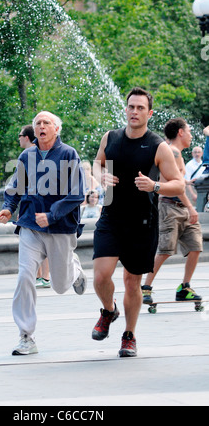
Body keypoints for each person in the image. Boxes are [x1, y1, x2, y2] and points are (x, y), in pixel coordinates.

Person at [92, 87, 184, 358]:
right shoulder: (110, 138)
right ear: (126, 109)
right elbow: (97, 164)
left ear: (149, 113)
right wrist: (101, 177)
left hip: (142, 223)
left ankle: (129, 335)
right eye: (131, 107)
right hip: (110, 217)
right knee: (100, 276)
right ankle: (109, 310)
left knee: (133, 282)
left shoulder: (159, 147)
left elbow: (178, 184)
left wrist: (155, 185)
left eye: (140, 108)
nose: (134, 112)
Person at [0, 110, 87, 355]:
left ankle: (74, 270)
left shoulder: (69, 154)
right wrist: (8, 208)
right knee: (25, 275)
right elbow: (15, 186)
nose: (41, 126)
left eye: (47, 122)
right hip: (30, 226)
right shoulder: (27, 155)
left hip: (60, 228)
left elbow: (78, 194)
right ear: (34, 130)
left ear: (56, 129)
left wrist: (52, 214)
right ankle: (26, 336)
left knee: (60, 286)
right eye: (38, 123)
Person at [142, 118, 203, 304]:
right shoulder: (173, 152)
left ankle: (184, 287)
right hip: (171, 207)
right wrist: (191, 206)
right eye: (190, 132)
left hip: (182, 207)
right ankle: (146, 287)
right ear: (181, 133)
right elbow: (172, 185)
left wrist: (186, 184)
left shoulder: (177, 153)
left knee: (195, 247)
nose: (192, 136)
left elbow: (174, 179)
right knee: (165, 250)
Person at [18, 124, 51, 288]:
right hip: (33, 203)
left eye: (19, 135)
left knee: (42, 240)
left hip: (39, 203)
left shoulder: (35, 154)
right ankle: (40, 276)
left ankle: (44, 277)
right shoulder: (28, 155)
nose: (18, 139)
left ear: (26, 137)